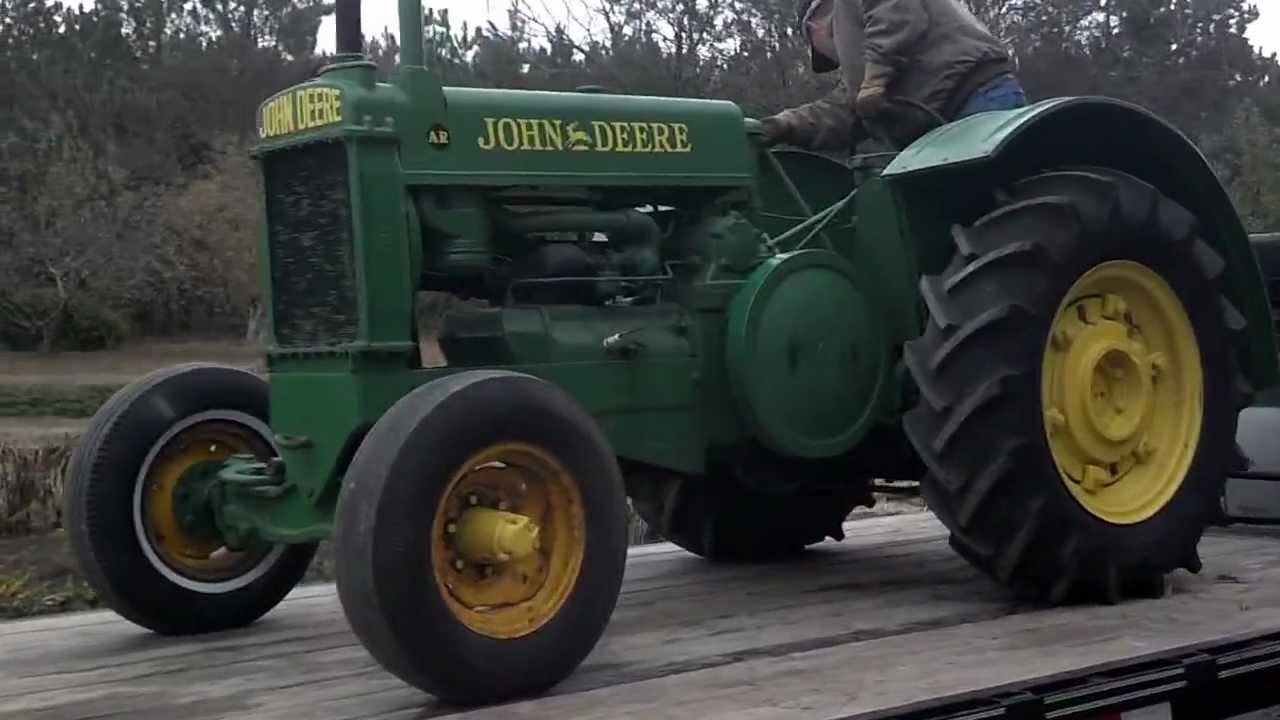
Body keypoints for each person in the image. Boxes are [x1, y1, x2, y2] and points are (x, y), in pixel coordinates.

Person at [761, 0, 1028, 150]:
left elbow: (897, 13)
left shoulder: (861, 13)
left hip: (971, 100)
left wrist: (875, 76)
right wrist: (785, 125)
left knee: (990, 206)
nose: (833, 58)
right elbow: (848, 106)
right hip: (951, 113)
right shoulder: (871, 57)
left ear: (813, 27)